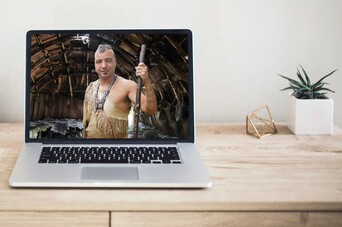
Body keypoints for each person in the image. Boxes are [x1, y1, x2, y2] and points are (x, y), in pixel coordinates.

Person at [83, 44, 157, 138]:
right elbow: (85, 123)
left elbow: (151, 110)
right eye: (99, 62)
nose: (104, 66)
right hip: (92, 148)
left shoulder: (127, 86)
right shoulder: (90, 88)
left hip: (117, 147)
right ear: (94, 64)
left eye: (108, 60)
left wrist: (146, 80)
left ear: (115, 62)